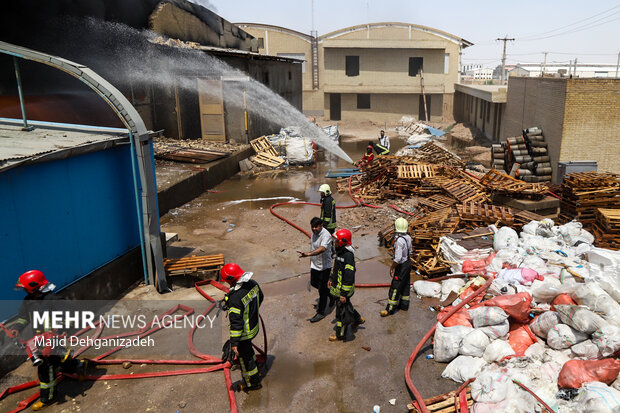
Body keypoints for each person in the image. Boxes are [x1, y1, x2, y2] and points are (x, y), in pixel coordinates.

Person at [11, 270, 86, 411]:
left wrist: (63, 327)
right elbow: (23, 317)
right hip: (38, 339)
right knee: (57, 361)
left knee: (45, 369)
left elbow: (72, 315)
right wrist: (17, 327)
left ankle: (48, 397)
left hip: (53, 338)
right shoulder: (28, 301)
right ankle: (77, 365)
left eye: (26, 287)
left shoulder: (53, 300)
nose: (25, 290)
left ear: (34, 286)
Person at [221, 263, 264, 392]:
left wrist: (234, 343)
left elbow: (236, 324)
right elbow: (260, 297)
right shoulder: (253, 284)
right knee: (249, 352)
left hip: (244, 333)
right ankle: (255, 372)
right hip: (254, 326)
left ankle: (252, 383)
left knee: (245, 359)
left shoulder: (235, 298)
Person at [328, 229, 364, 341]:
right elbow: (337, 268)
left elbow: (348, 277)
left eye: (336, 241)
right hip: (338, 287)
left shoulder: (348, 256)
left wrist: (343, 294)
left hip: (343, 290)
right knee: (347, 306)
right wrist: (331, 278)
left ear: (343, 242)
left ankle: (340, 334)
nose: (335, 243)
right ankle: (358, 319)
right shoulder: (340, 252)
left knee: (341, 313)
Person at [298, 217, 333, 323]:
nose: (314, 229)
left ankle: (321, 312)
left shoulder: (326, 235)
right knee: (314, 283)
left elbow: (322, 248)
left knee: (322, 290)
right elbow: (313, 246)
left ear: (321, 225)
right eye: (312, 227)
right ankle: (331, 295)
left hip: (324, 266)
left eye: (316, 227)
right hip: (315, 264)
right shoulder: (314, 233)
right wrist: (310, 260)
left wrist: (308, 254)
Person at [380, 218, 412, 317]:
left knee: (395, 286)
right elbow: (410, 252)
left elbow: (397, 259)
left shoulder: (399, 241)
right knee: (405, 284)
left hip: (401, 266)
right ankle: (404, 305)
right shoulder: (408, 237)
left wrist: (392, 268)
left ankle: (390, 309)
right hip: (408, 263)